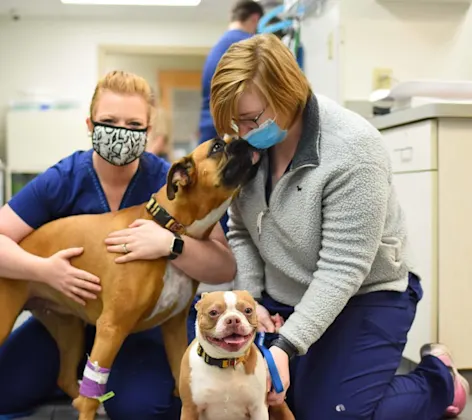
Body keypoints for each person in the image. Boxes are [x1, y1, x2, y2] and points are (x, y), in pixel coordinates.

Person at [209, 33, 470, 420]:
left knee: (331, 412)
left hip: (365, 291)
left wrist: (285, 344)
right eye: (236, 122)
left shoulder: (353, 150)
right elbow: (242, 230)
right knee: (268, 393)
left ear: (287, 94)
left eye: (251, 119)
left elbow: (343, 269)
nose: (243, 133)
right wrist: (253, 302)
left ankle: (440, 379)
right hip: (287, 289)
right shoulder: (251, 144)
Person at [0, 71, 235, 420]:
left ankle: (95, 381)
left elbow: (224, 266)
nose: (120, 132)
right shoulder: (64, 178)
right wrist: (45, 270)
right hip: (66, 309)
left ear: (148, 130)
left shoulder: (168, 180)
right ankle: (77, 377)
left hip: (146, 325)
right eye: (109, 121)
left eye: (133, 124)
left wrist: (172, 243)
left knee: (141, 408)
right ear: (90, 124)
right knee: (6, 392)